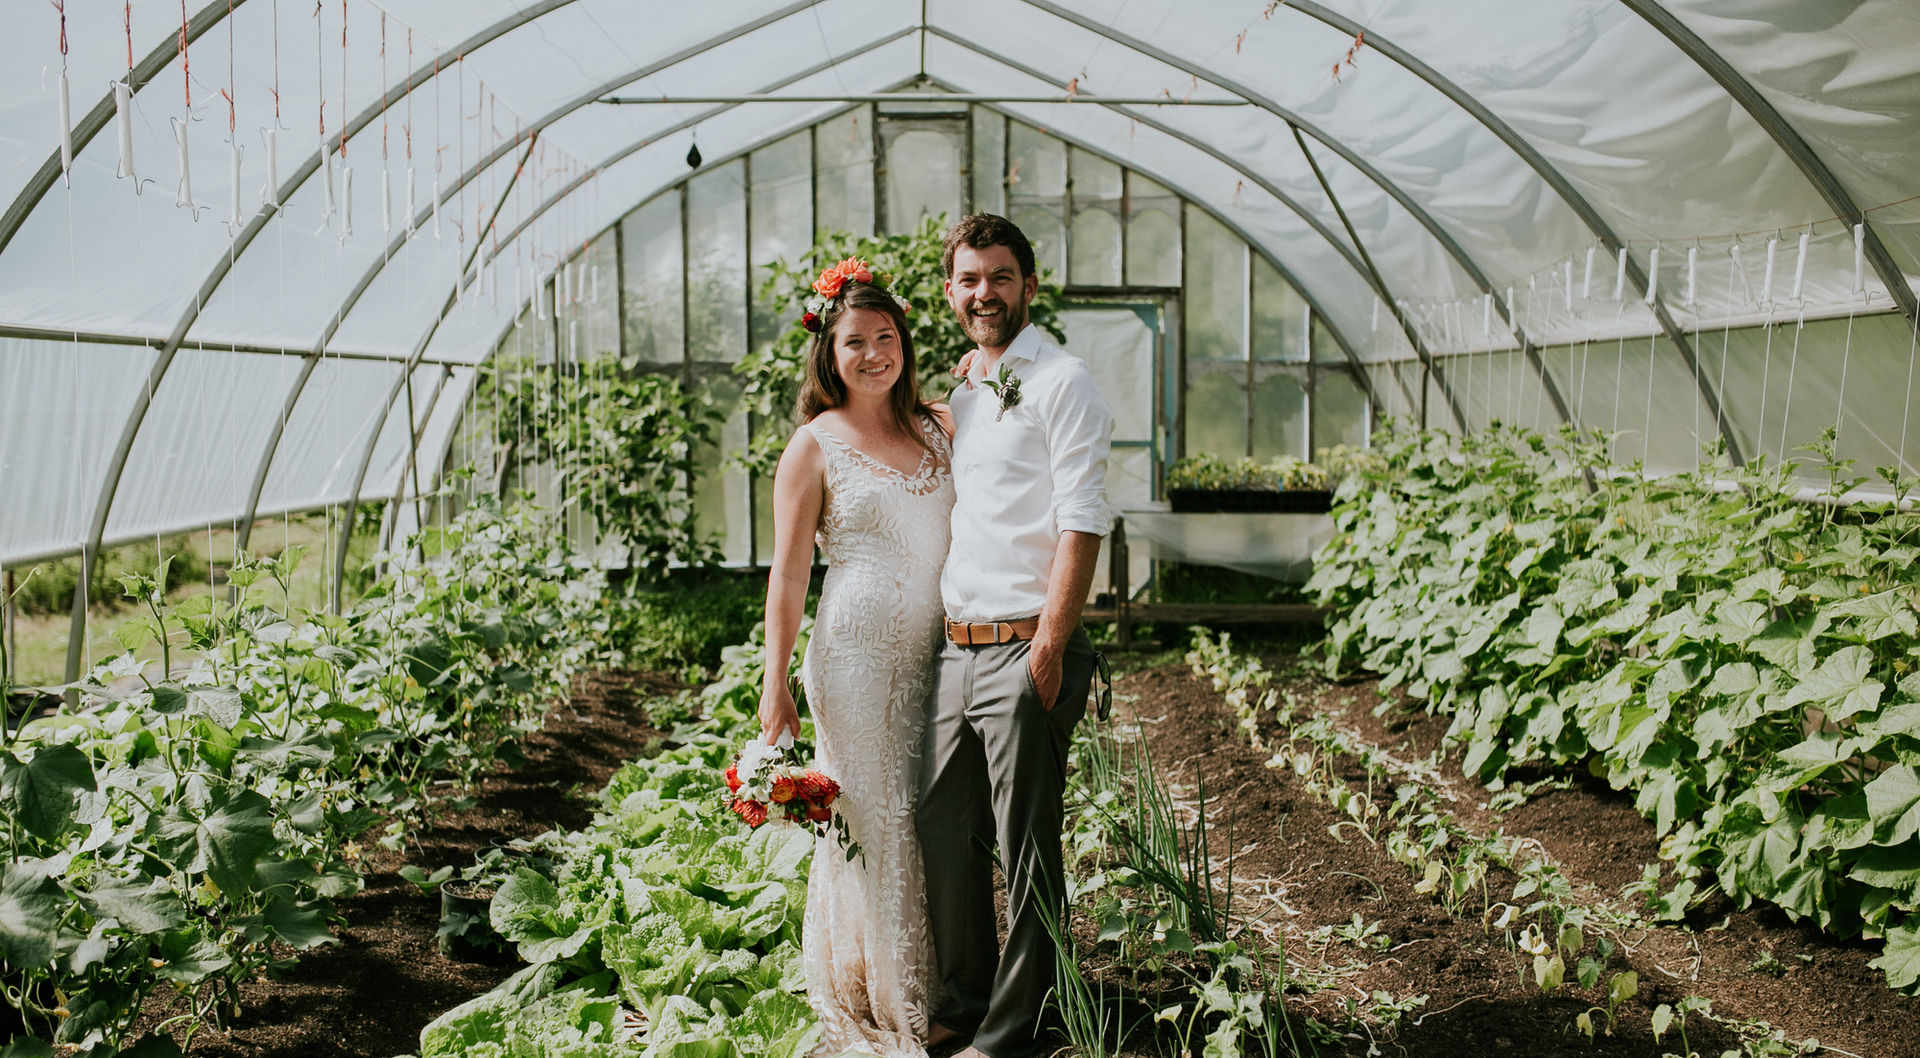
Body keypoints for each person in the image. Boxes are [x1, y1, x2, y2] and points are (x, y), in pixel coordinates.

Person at [918, 214, 1114, 1058]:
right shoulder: (966, 389)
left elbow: (1083, 519)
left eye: (999, 277)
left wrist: (1050, 645)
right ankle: (961, 1001)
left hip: (1023, 647)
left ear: (1029, 285)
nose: (983, 293)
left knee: (1026, 848)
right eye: (968, 280)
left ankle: (1010, 1031)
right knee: (941, 828)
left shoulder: (1064, 380)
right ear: (952, 293)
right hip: (955, 647)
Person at [758, 260, 954, 1058]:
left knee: (939, 811)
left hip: (944, 652)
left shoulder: (940, 424)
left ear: (904, 340)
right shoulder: (814, 446)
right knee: (879, 821)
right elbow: (790, 571)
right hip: (857, 658)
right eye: (854, 342)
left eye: (886, 337)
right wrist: (774, 688)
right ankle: (894, 995)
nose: (874, 353)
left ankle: (960, 975)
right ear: (827, 354)